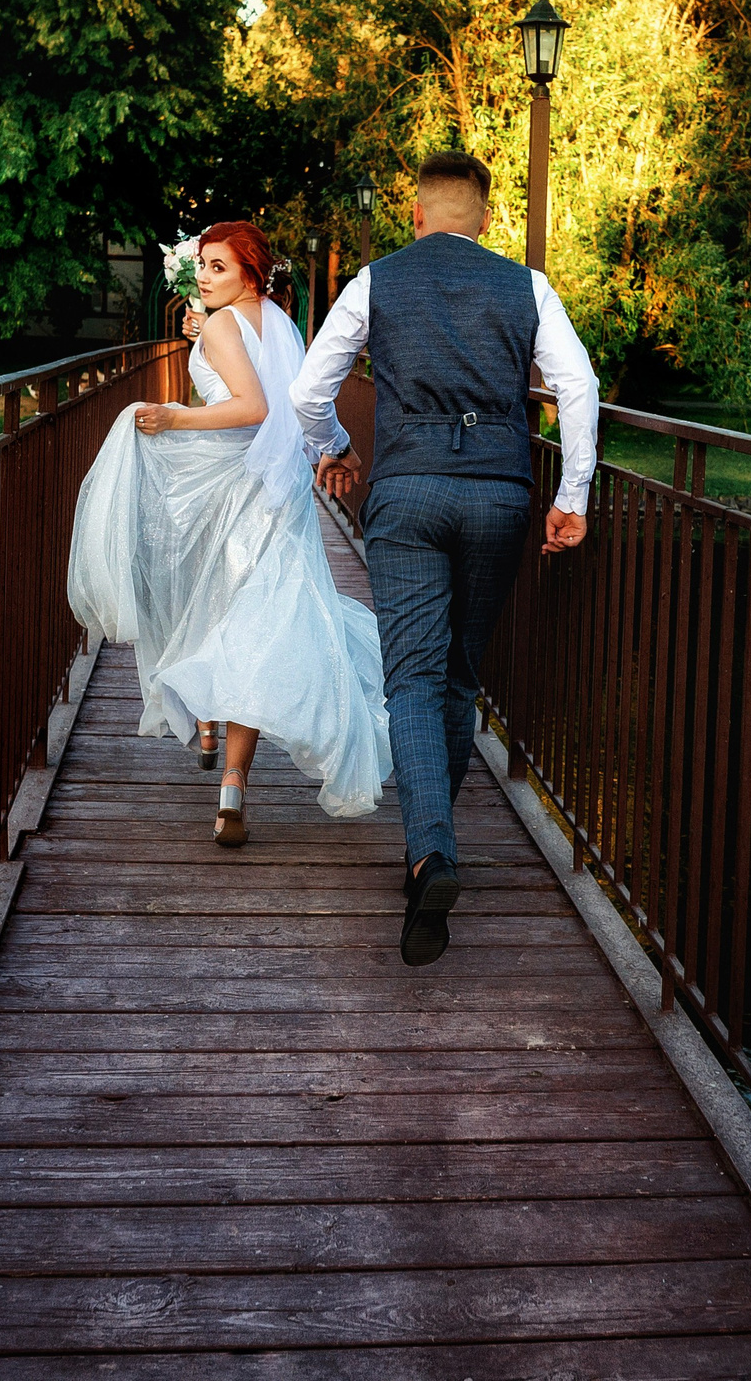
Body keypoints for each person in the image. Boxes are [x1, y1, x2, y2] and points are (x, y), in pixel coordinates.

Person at [291, 151, 600, 966]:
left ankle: (431, 854)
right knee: (459, 676)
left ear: (417, 215)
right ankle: (433, 849)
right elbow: (580, 387)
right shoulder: (525, 285)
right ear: (487, 219)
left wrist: (337, 447)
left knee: (413, 681)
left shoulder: (376, 280)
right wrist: (571, 495)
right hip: (499, 495)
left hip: (408, 497)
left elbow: (306, 392)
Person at [68, 222, 390, 843]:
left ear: (250, 271)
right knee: (258, 622)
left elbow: (253, 408)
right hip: (280, 494)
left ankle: (208, 724)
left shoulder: (220, 324)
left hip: (225, 487)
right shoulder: (283, 323)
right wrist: (206, 328)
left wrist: (173, 414)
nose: (206, 278)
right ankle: (232, 788)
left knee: (207, 607)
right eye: (203, 267)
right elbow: (285, 397)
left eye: (219, 267)